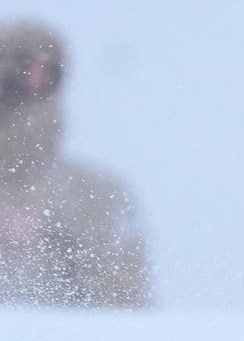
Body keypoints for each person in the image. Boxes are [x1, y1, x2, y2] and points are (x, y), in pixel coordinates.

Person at [1, 20, 150, 307]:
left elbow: (33, 164)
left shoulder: (43, 109)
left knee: (109, 200)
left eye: (47, 70)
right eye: (24, 67)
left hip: (36, 191)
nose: (36, 78)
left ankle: (114, 327)